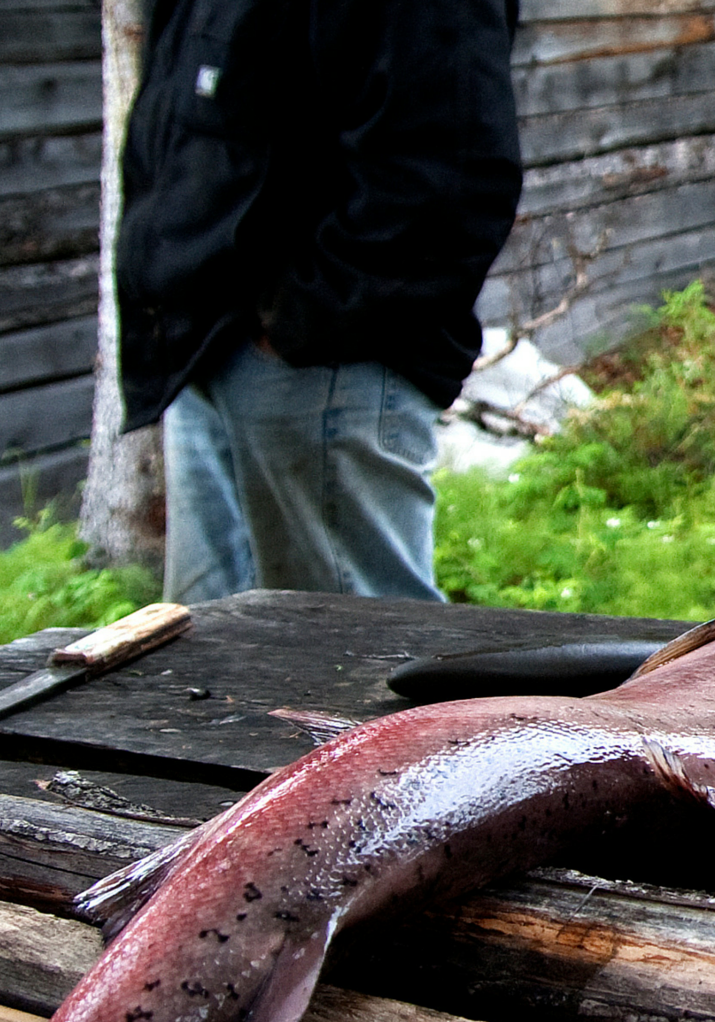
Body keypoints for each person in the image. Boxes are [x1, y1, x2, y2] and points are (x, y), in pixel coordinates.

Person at [116, 0, 524, 603]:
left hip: (318, 360)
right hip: (205, 342)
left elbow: (449, 171)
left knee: (354, 666)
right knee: (212, 660)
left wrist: (299, 323)